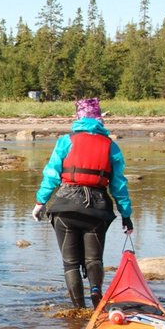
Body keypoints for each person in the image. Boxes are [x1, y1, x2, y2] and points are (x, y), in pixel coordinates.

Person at [31, 98, 133, 309]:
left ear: (77, 118)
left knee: (70, 263)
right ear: (99, 119)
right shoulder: (111, 146)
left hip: (65, 207)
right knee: (94, 260)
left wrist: (40, 202)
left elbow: (51, 173)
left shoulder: (66, 141)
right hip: (97, 210)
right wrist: (126, 215)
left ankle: (78, 309)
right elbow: (119, 184)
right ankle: (96, 294)